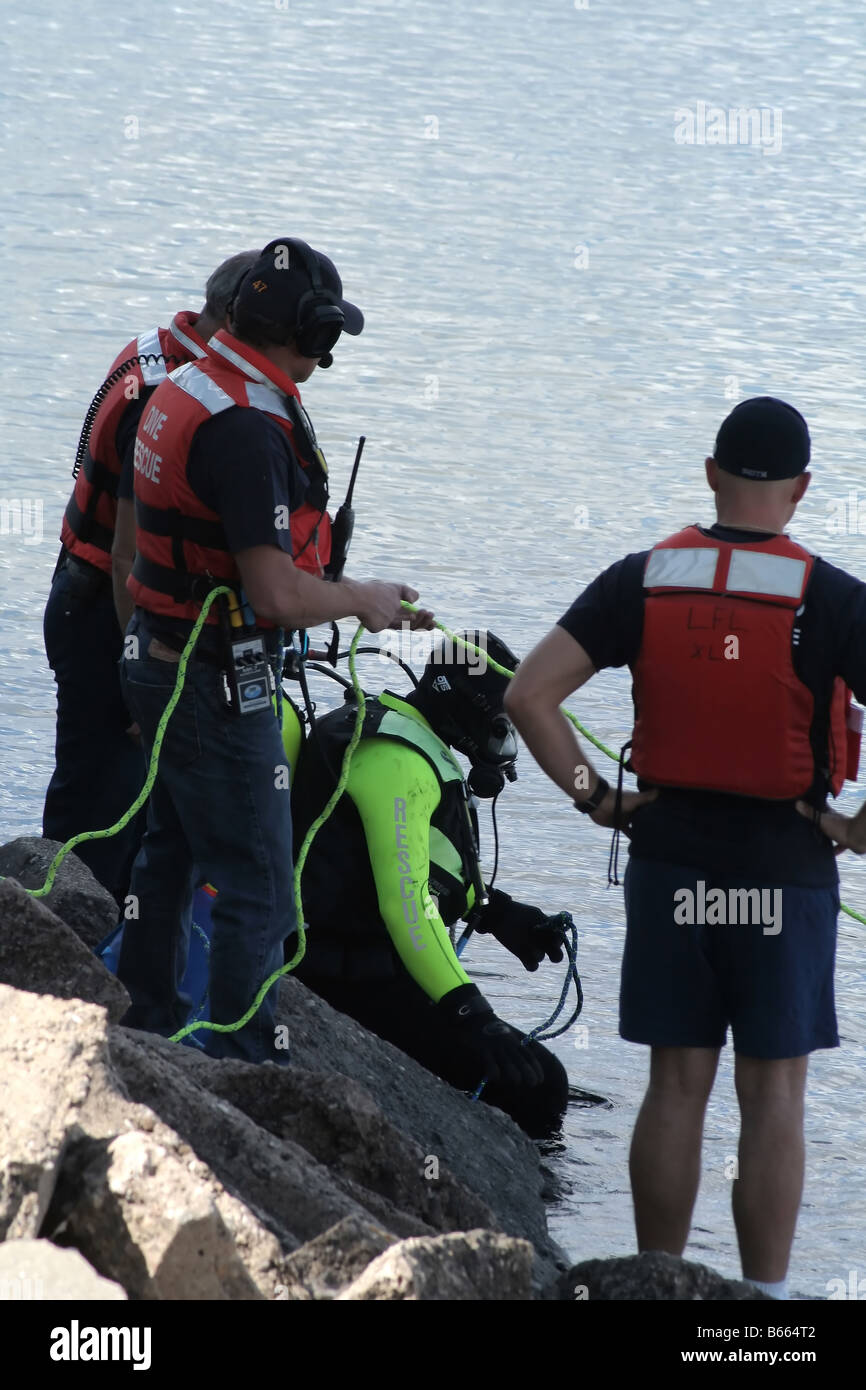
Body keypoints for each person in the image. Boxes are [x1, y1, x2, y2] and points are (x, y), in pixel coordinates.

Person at [504, 397, 866, 1297]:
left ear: (710, 473)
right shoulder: (830, 597)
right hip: (784, 869)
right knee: (774, 1097)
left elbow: (527, 696)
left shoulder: (642, 578)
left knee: (675, 1085)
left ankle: (659, 1284)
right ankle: (765, 1310)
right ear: (803, 490)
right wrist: (858, 831)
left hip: (669, 864)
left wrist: (599, 801)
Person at [117, 237, 433, 1066]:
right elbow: (277, 597)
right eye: (329, 336)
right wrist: (363, 598)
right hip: (214, 681)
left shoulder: (185, 383)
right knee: (258, 880)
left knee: (173, 848)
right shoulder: (247, 432)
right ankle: (243, 1069)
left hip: (156, 658)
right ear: (309, 330)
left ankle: (147, 1026)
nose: (330, 354)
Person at [290, 631, 571, 1135]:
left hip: (365, 962)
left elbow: (407, 867)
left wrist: (496, 914)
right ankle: (514, 1197)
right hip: (342, 979)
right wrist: (470, 1011)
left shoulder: (405, 736)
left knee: (534, 1074)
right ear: (463, 704)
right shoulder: (396, 761)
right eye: (499, 723)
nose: (502, 739)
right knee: (541, 1085)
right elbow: (406, 906)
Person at [42, 250, 257, 905]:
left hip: (82, 588)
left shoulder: (155, 349)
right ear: (239, 320)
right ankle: (65, 945)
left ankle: (66, 928)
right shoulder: (172, 395)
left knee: (94, 784)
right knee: (104, 805)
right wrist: (146, 679)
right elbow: (132, 557)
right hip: (109, 612)